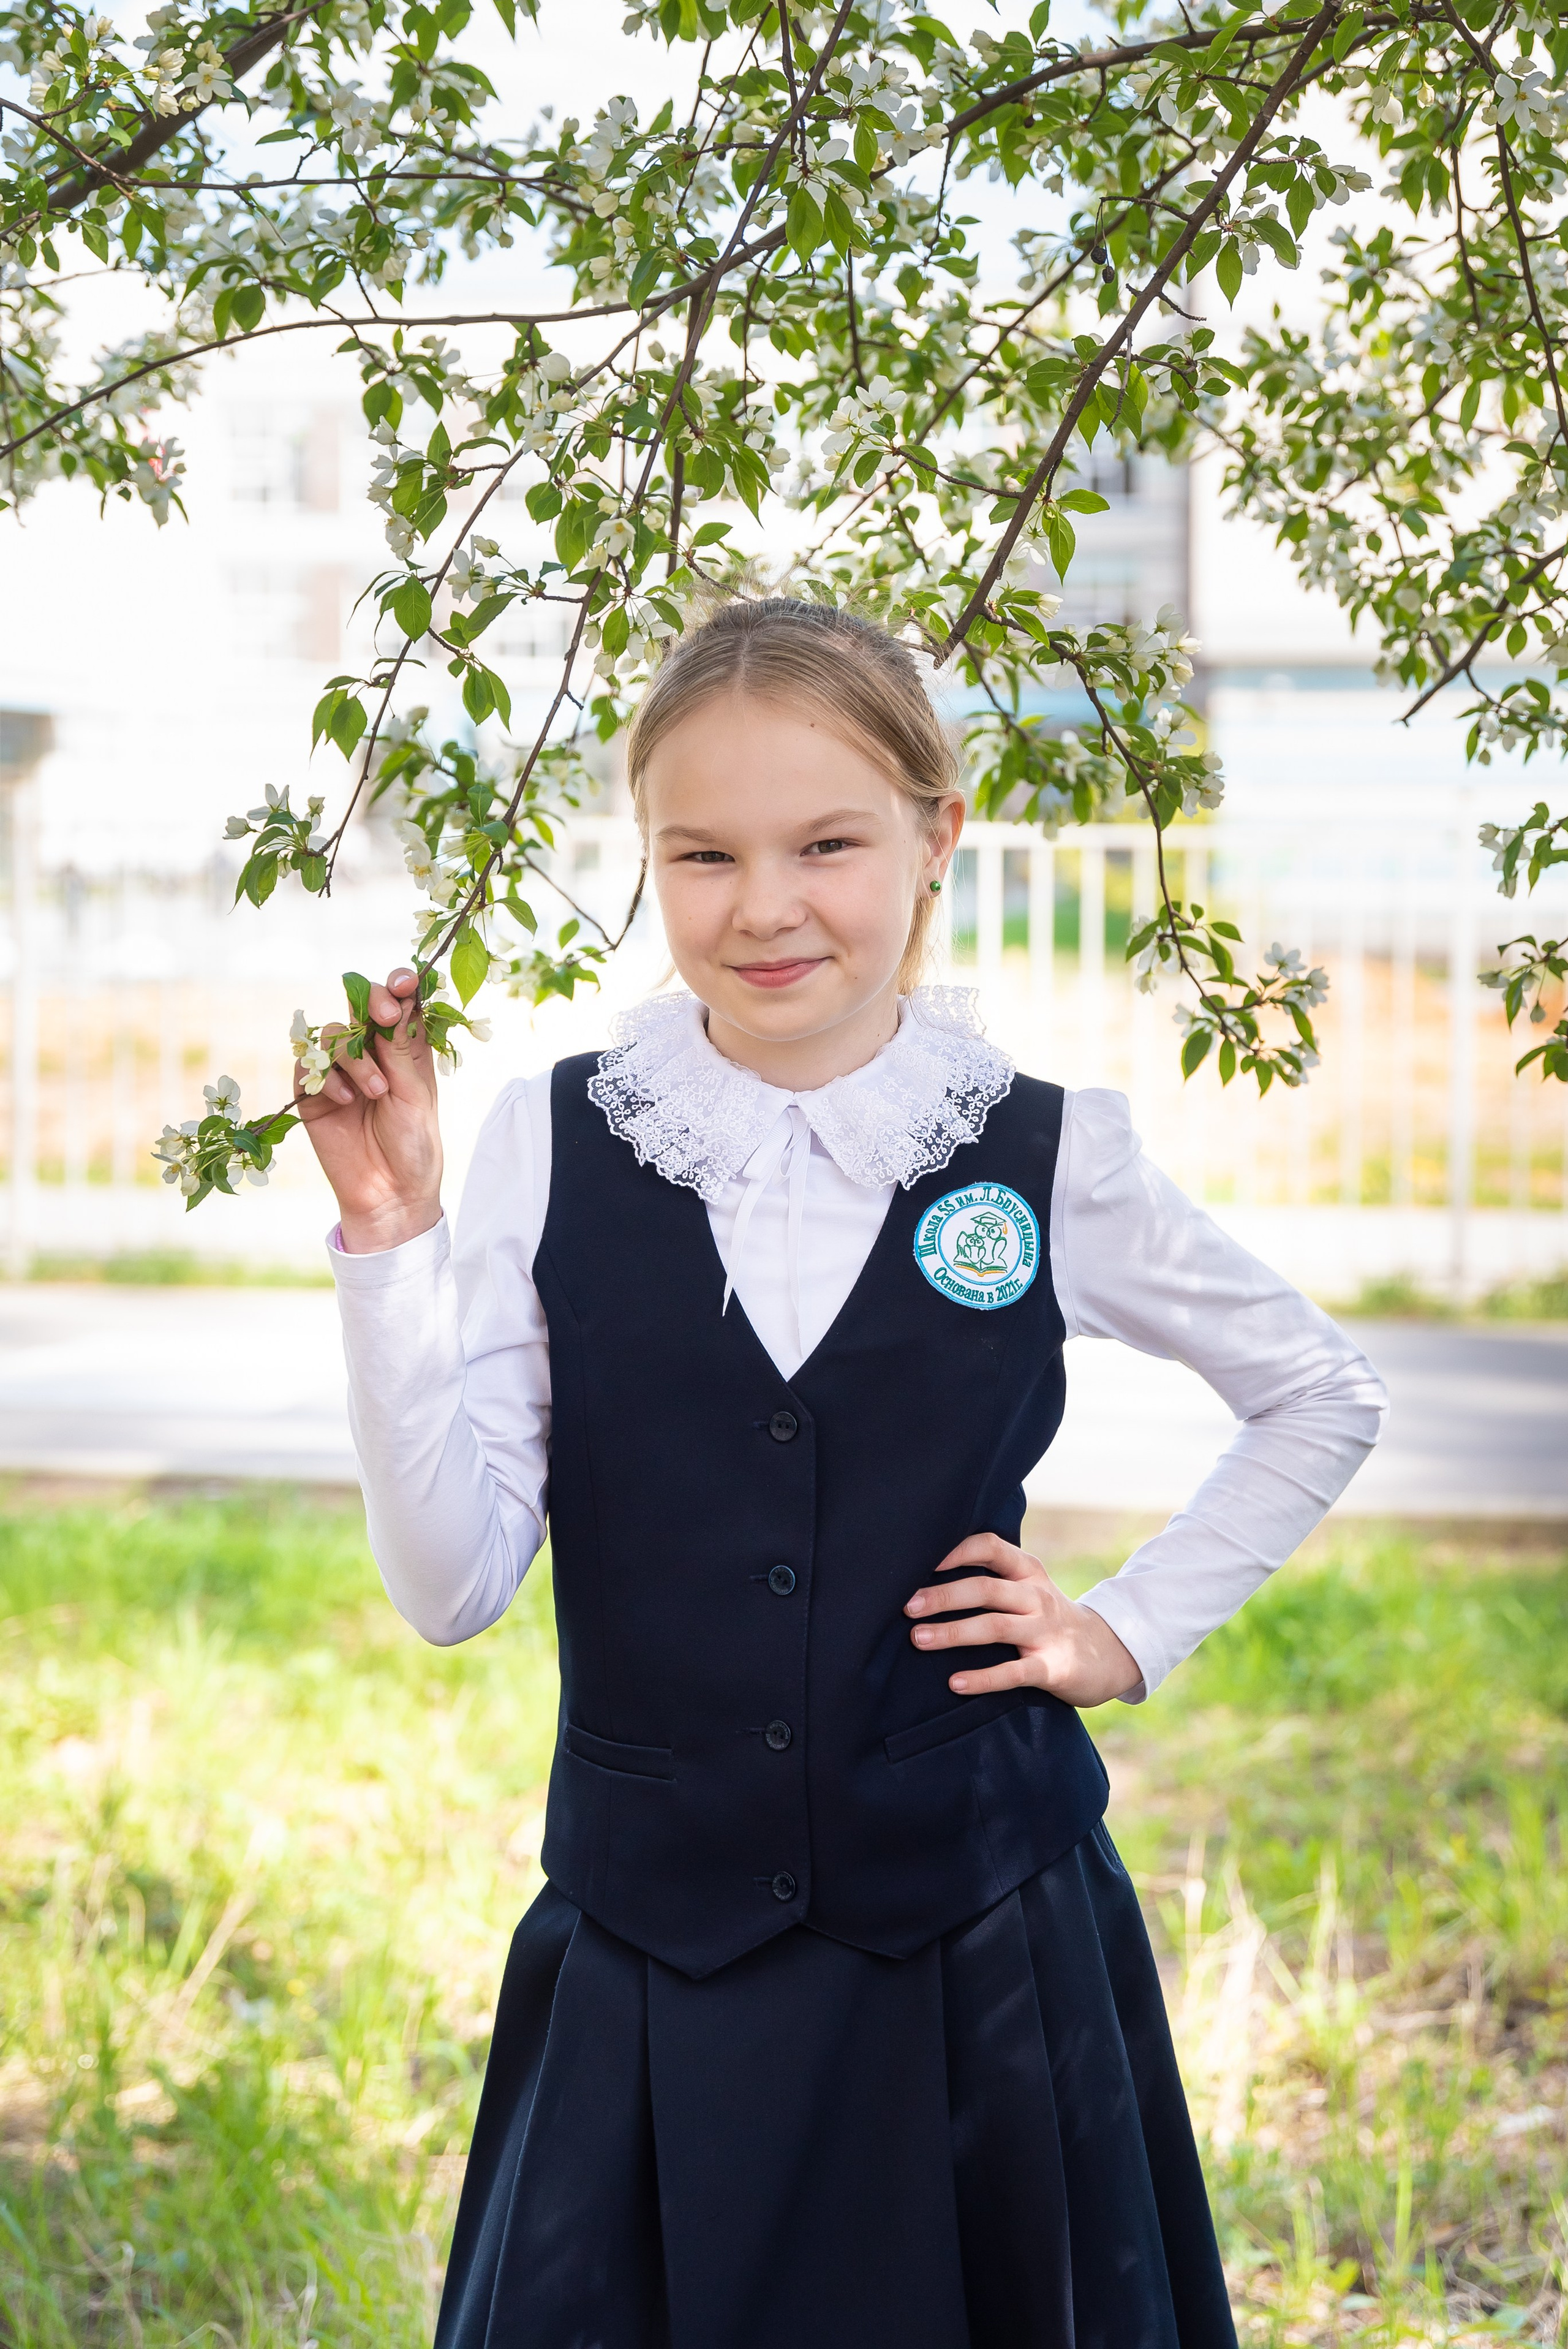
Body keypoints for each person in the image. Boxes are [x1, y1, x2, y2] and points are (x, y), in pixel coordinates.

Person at [303, 598, 1386, 2349]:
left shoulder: (1044, 1154)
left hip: (973, 1944)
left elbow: (1318, 1393)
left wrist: (1124, 1630)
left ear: (935, 834)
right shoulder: (549, 1142)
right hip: (655, 1951)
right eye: (704, 852)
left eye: (827, 843)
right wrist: (389, 1245)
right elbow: (449, 1586)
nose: (766, 904)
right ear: (650, 858)